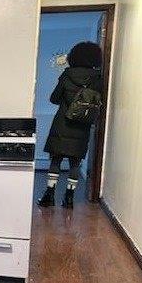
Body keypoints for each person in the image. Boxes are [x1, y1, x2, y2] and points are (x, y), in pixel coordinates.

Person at [38, 41, 103, 209]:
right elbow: (98, 101)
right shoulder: (97, 78)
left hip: (63, 123)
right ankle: (69, 198)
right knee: (75, 163)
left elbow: (54, 98)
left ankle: (49, 195)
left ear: (74, 56)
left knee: (56, 160)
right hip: (82, 125)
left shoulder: (67, 75)